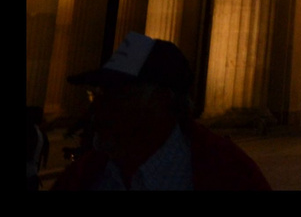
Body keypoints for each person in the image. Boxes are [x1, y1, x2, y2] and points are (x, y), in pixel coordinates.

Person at [53, 32, 270, 191]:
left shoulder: (228, 175)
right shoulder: (82, 178)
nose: (98, 108)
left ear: (161, 101)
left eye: (117, 95)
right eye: (97, 94)